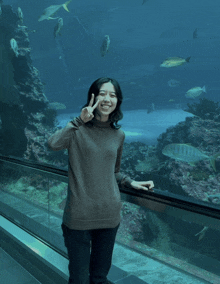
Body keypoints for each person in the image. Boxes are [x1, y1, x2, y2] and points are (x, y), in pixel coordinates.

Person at [48, 77, 154, 284]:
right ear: (92, 97)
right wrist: (79, 120)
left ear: (118, 101)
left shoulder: (118, 135)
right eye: (103, 93)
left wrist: (129, 182)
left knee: (99, 277)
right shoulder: (76, 129)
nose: (107, 99)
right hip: (78, 217)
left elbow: (113, 171)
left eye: (113, 95)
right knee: (78, 278)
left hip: (109, 216)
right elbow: (53, 144)